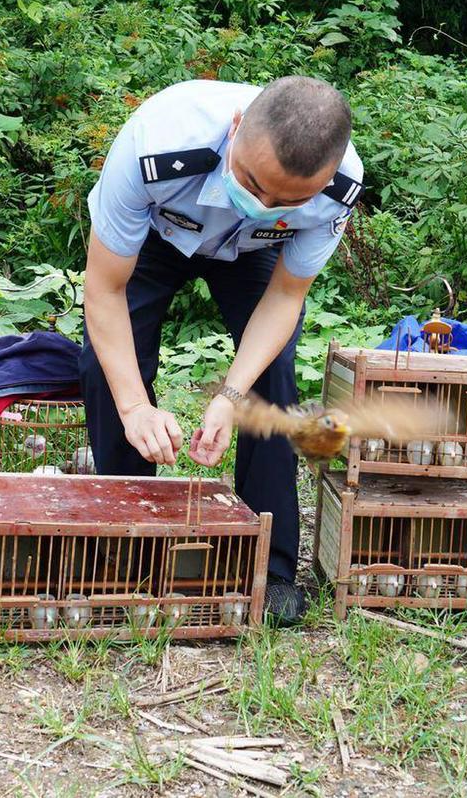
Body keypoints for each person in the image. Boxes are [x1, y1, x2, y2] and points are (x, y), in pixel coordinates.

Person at [81, 75, 363, 625]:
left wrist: (230, 396)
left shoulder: (340, 186)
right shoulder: (156, 144)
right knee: (110, 364)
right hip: (157, 235)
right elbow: (105, 289)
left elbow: (285, 297)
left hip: (256, 253)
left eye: (288, 198)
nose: (262, 203)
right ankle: (127, 544)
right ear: (235, 130)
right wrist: (136, 407)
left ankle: (272, 565)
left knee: (272, 375)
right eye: (253, 183)